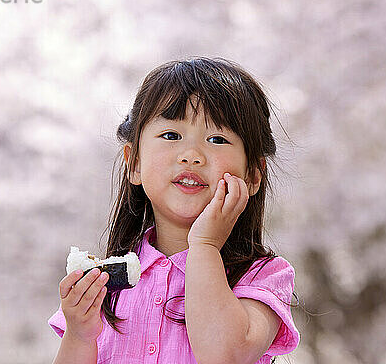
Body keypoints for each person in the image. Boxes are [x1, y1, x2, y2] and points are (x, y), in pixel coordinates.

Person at [48, 57, 300, 364]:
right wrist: (79, 335)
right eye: (171, 136)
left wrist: (205, 246)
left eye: (217, 139)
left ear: (252, 176)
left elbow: (225, 355)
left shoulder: (262, 277)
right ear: (135, 163)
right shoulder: (108, 281)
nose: (191, 155)